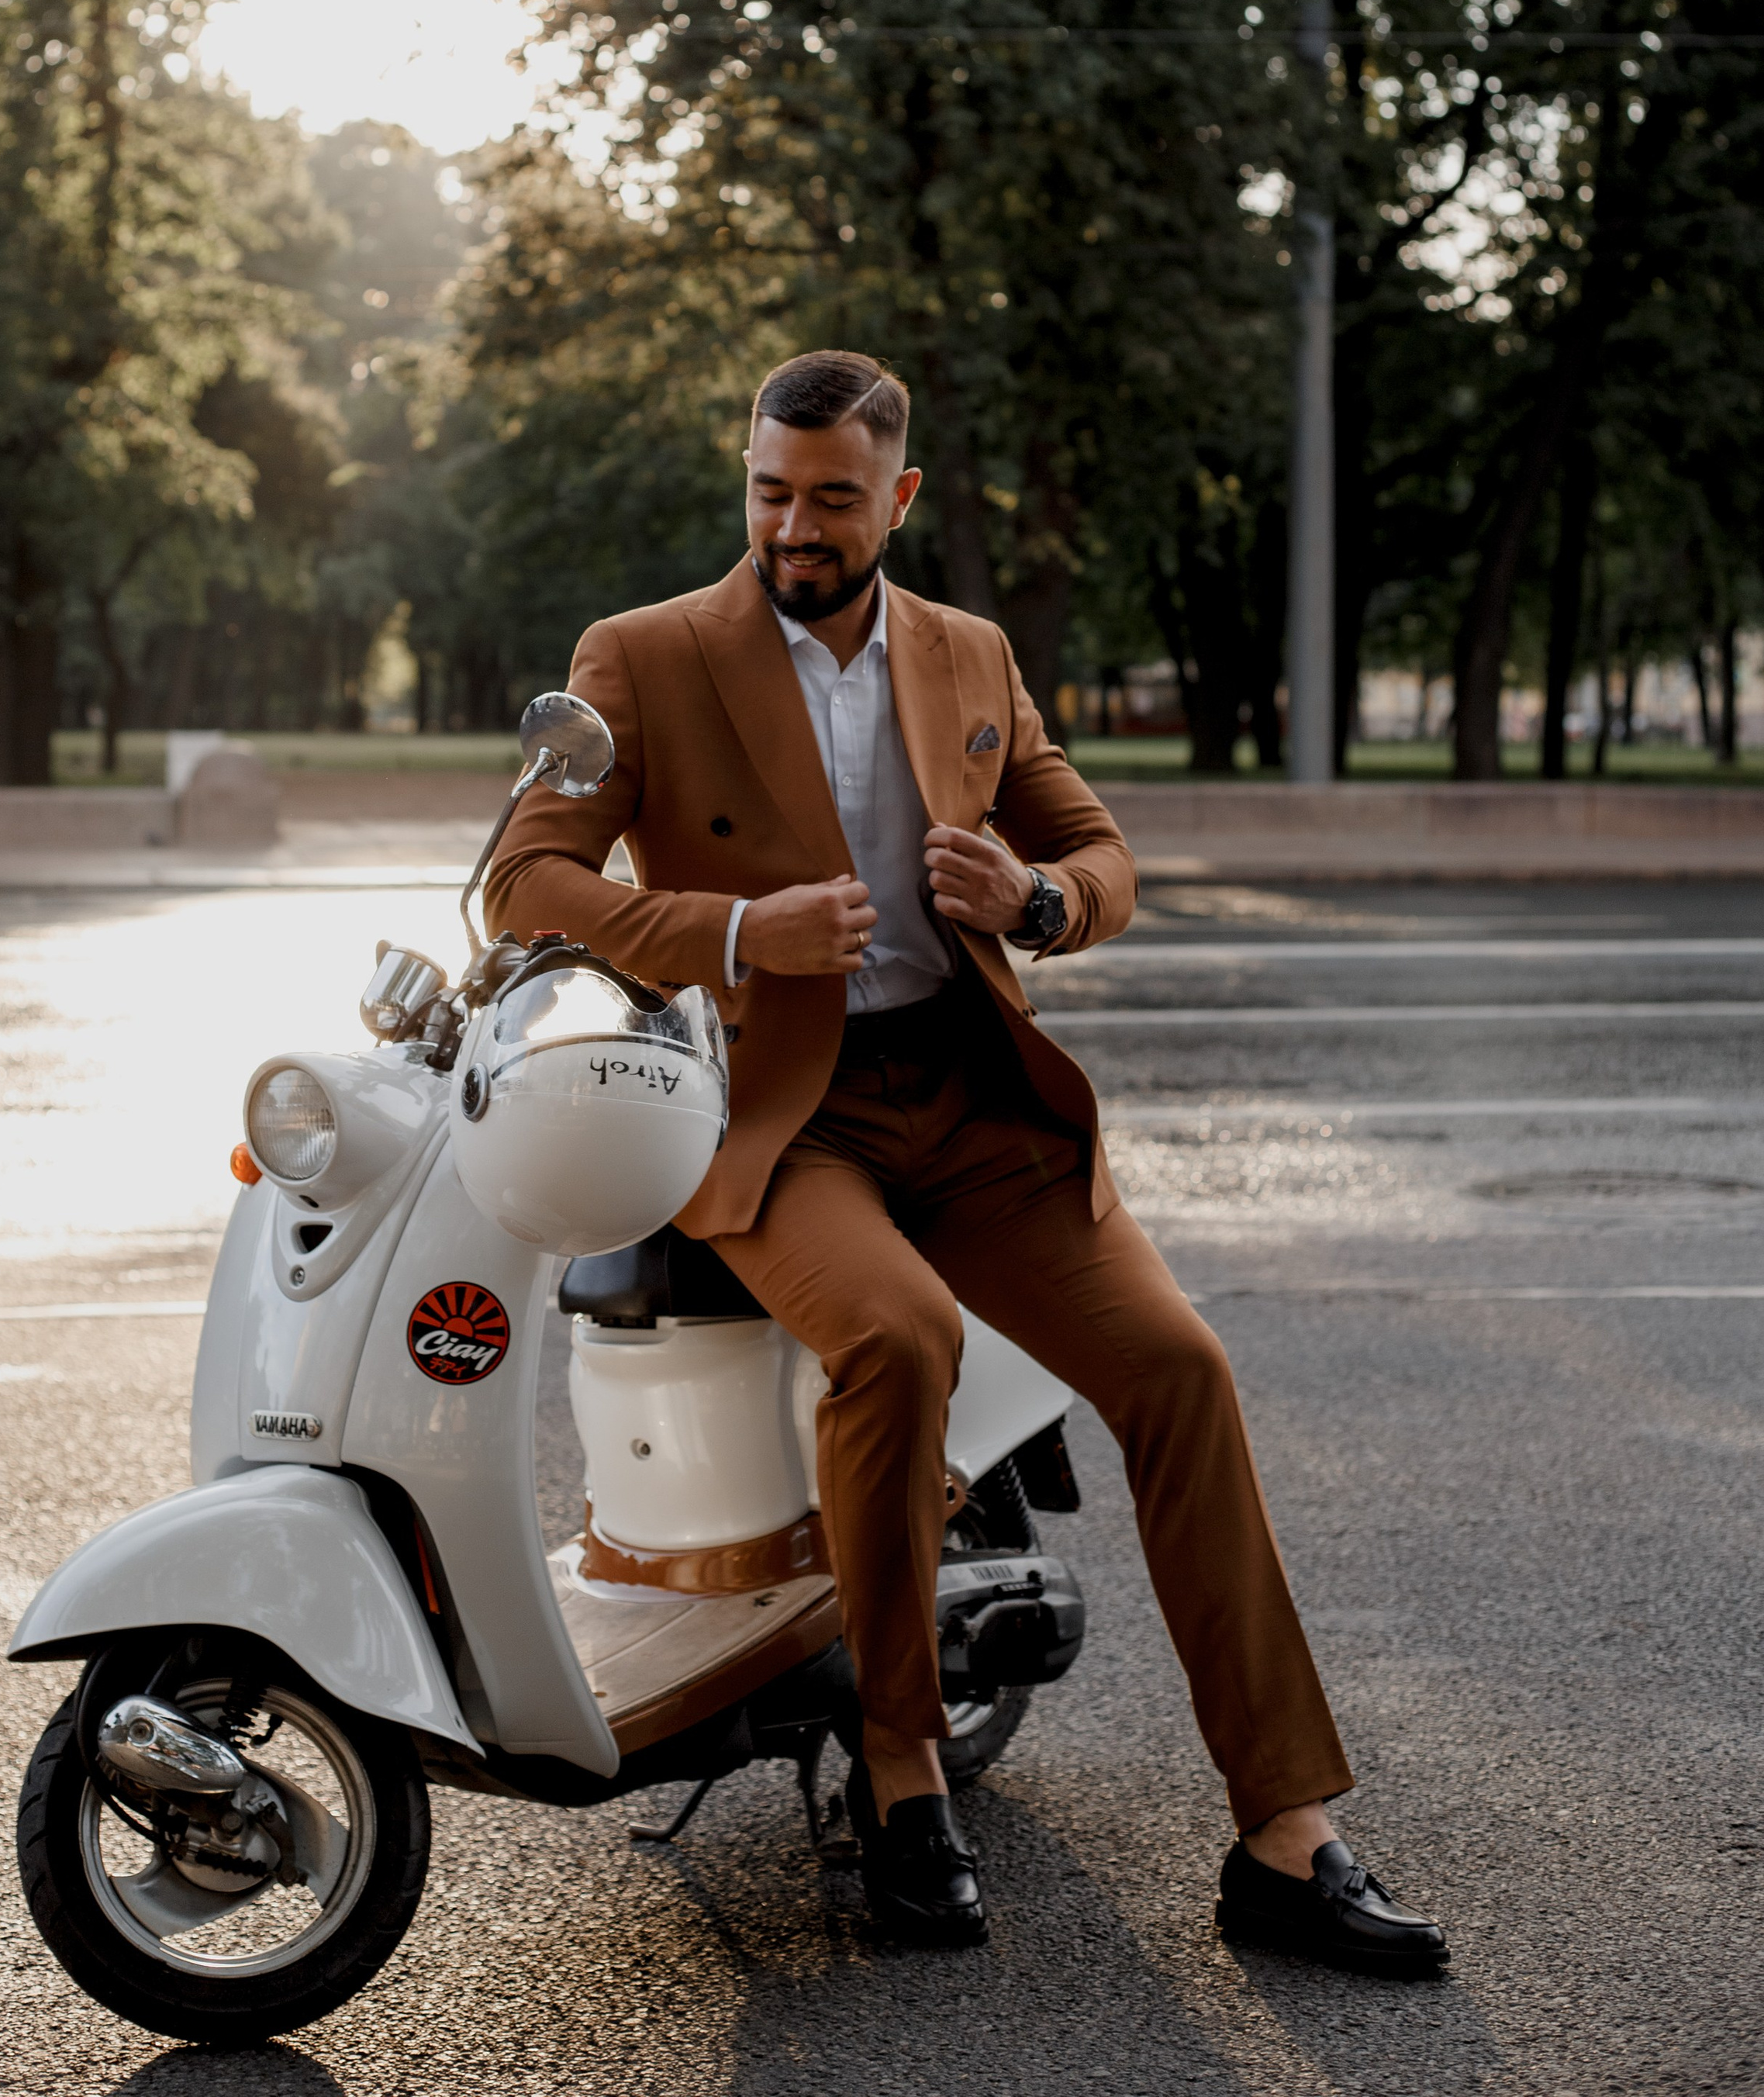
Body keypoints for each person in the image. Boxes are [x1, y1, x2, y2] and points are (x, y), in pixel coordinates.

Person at [485, 348, 1445, 1973]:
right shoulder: (643, 657)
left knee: (1181, 1373)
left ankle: (1286, 1840)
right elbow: (525, 880)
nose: (793, 525)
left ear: (898, 497)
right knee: (896, 1336)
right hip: (787, 1117)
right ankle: (899, 1763)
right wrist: (735, 928)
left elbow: (1099, 854)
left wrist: (1036, 905)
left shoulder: (969, 654)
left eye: (830, 499)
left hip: (979, 1104)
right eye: (768, 490)